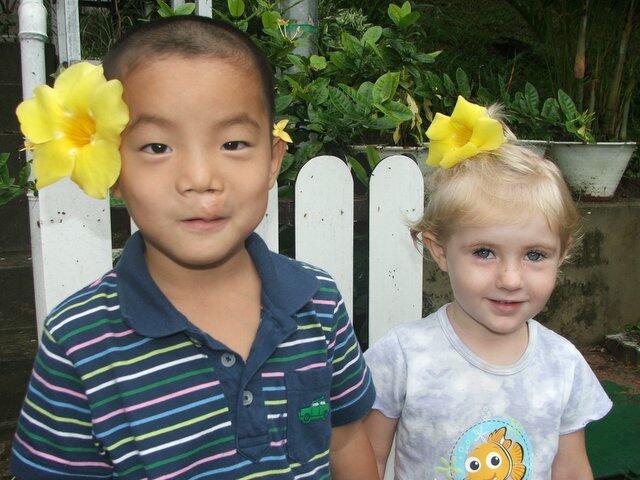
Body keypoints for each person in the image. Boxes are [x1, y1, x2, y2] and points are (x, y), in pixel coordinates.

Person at [10, 16, 378, 480]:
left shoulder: (317, 300)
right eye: (157, 147)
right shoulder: (79, 341)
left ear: (272, 160)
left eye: (233, 143)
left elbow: (345, 439)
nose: (200, 179)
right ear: (113, 168)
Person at [363, 97, 612, 480]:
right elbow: (367, 462)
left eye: (534, 255)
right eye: (484, 252)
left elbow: (572, 469)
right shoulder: (403, 357)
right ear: (439, 250)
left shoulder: (564, 365)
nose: (510, 279)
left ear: (561, 256)